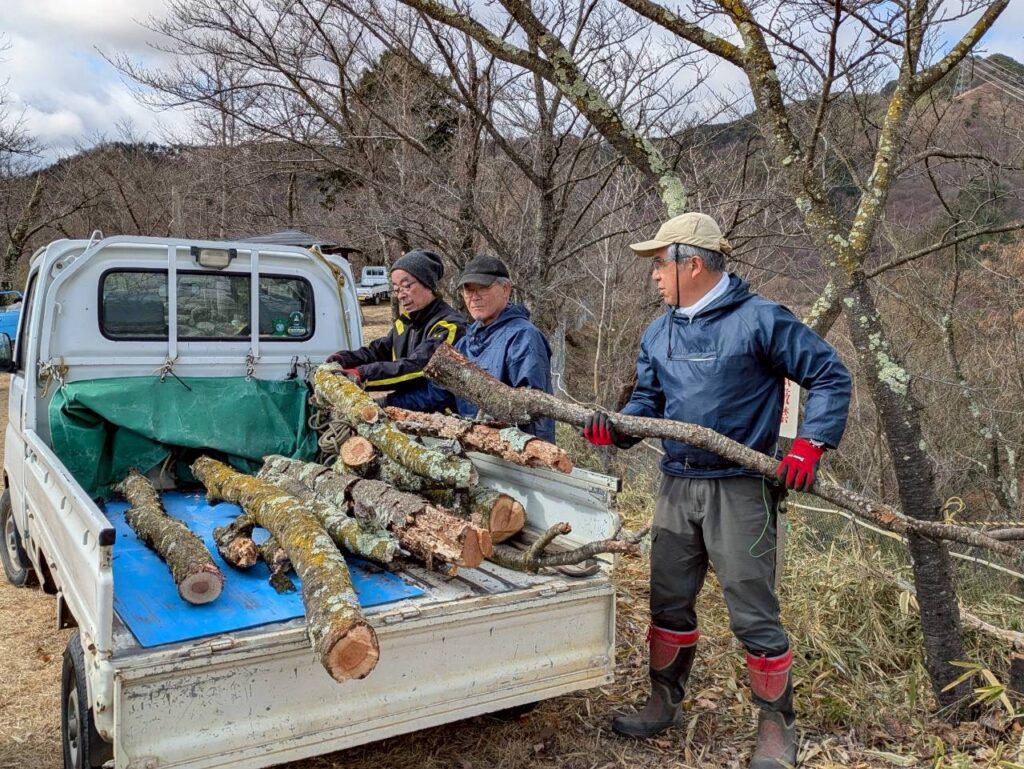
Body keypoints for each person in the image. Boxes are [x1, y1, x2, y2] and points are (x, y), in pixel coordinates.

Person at [583, 213, 851, 768]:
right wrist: (620, 425)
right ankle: (663, 701)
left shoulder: (761, 320)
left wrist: (811, 443)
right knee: (668, 599)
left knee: (754, 612)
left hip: (741, 491)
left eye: (660, 264)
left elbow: (829, 374)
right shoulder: (660, 331)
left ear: (693, 264)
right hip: (678, 485)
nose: (655, 276)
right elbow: (647, 403)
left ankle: (777, 728)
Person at [327, 249, 467, 410]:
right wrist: (344, 359)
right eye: (396, 289)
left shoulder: (450, 326)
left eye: (406, 286)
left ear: (428, 285)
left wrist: (362, 375)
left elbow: (418, 365)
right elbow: (377, 351)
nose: (401, 295)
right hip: (409, 410)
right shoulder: (405, 323)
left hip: (443, 420)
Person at [447, 254, 556, 441]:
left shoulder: (523, 337)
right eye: (468, 289)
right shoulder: (466, 341)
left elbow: (531, 407)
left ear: (506, 289)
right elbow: (438, 393)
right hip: (477, 449)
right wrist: (390, 402)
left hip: (520, 456)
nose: (474, 297)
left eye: (482, 288)